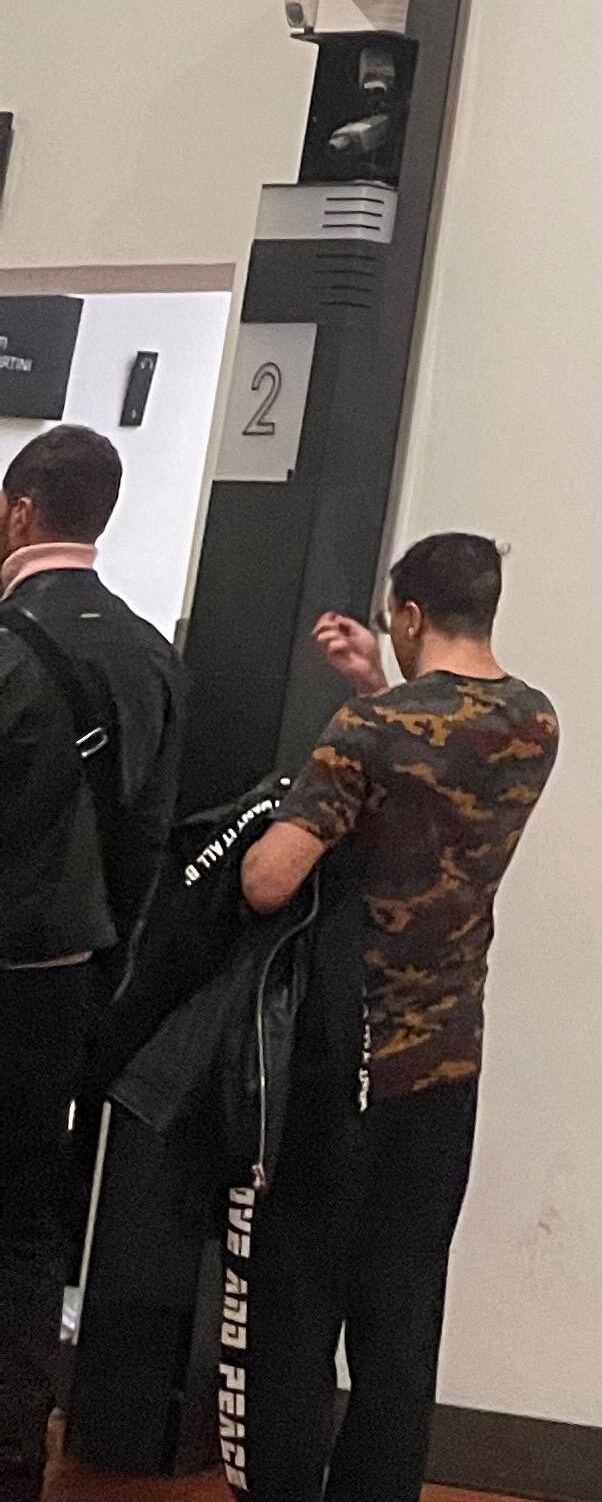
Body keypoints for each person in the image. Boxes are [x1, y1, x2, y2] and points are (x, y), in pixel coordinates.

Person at [235, 534, 560, 1502]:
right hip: (449, 1062)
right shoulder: (535, 720)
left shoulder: (366, 734)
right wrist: (375, 684)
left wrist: (351, 719)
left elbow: (268, 880)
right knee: (404, 1311)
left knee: (299, 1306)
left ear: (410, 615)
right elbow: (431, 775)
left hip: (347, 1060)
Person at [0, 427, 184, 1502]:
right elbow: (150, 840)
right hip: (69, 981)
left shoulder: (8, 647)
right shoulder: (151, 655)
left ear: (22, 509)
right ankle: (17, 1458)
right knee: (27, 1223)